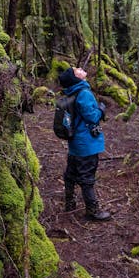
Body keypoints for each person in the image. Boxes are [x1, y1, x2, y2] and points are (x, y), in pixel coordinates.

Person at [58, 66, 110, 221]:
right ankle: (93, 211)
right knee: (87, 177)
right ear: (76, 78)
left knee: (70, 174)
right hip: (86, 144)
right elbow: (92, 117)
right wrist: (101, 110)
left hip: (75, 143)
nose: (80, 69)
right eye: (76, 70)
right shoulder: (84, 93)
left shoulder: (71, 92)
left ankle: (69, 204)